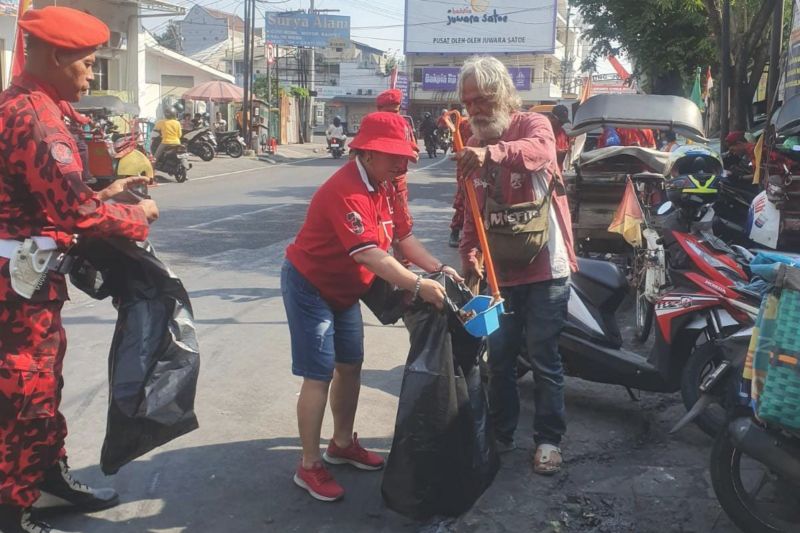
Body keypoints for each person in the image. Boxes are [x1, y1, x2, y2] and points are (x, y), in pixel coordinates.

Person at [0, 7, 160, 533]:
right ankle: (11, 511)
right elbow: (75, 213)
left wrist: (105, 191)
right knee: (22, 391)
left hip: (31, 280)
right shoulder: (36, 118)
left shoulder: (29, 105)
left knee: (42, 384)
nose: (92, 75)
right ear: (55, 56)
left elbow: (48, 198)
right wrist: (134, 216)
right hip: (14, 290)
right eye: (88, 64)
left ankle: (47, 482)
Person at [283, 111, 460, 502]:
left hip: (345, 289)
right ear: (366, 153)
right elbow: (371, 257)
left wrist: (439, 268)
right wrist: (418, 284)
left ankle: (341, 443)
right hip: (310, 286)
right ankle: (309, 466)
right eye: (393, 156)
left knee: (350, 365)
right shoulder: (346, 191)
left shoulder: (386, 185)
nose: (402, 164)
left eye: (405, 157)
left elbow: (403, 241)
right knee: (319, 373)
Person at [455, 56, 577, 475]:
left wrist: (493, 152)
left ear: (504, 94)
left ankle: (547, 439)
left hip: (547, 268)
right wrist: (469, 251)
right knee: (500, 358)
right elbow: (472, 209)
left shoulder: (532, 126)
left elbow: (540, 153)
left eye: (482, 99)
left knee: (544, 357)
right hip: (500, 273)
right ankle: (502, 433)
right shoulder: (470, 145)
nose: (475, 109)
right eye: (468, 102)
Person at [547, 104, 571, 171]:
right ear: (551, 117)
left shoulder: (563, 132)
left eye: (563, 122)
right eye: (560, 121)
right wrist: (565, 153)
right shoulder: (545, 132)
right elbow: (550, 155)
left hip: (559, 172)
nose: (562, 124)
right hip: (549, 173)